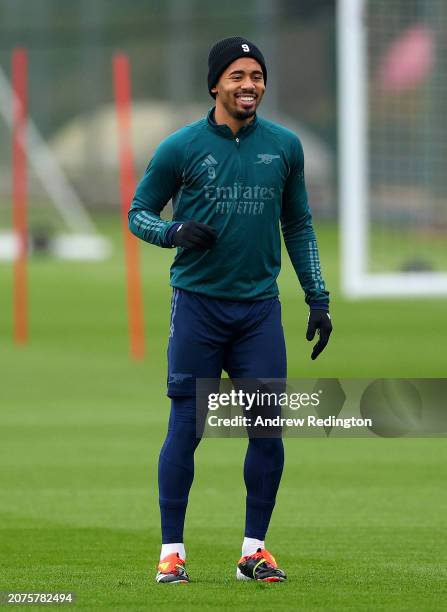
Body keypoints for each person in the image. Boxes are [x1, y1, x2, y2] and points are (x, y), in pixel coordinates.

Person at [128, 36, 332, 584]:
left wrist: (317, 297)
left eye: (257, 76)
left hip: (259, 312)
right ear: (215, 84)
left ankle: (254, 551)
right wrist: (173, 231)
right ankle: (172, 554)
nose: (250, 85)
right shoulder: (181, 147)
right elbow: (137, 213)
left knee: (267, 430)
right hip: (197, 308)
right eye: (238, 76)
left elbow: (299, 225)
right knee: (187, 426)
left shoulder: (285, 146)